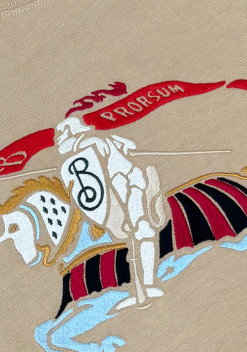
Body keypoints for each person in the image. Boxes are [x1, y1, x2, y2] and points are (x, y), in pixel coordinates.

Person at [54, 116, 167, 307]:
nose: (59, 140)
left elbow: (115, 170)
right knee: (138, 234)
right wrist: (122, 146)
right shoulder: (94, 144)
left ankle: (146, 286)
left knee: (142, 231)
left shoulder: (91, 143)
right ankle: (143, 287)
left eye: (63, 135)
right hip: (120, 189)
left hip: (129, 186)